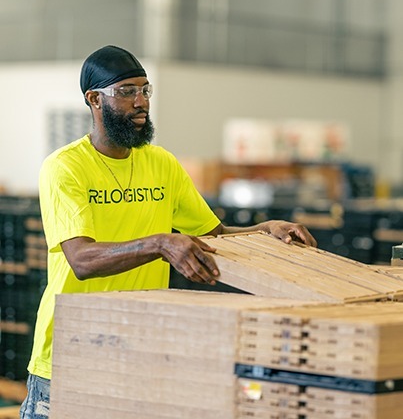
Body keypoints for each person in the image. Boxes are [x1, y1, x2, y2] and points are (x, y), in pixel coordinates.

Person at [20, 45, 316, 418]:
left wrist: (264, 231)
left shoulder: (161, 163)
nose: (141, 102)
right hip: (70, 353)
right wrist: (160, 243)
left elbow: (214, 234)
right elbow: (81, 259)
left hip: (139, 347)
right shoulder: (66, 168)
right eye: (126, 92)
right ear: (94, 99)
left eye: (145, 90)